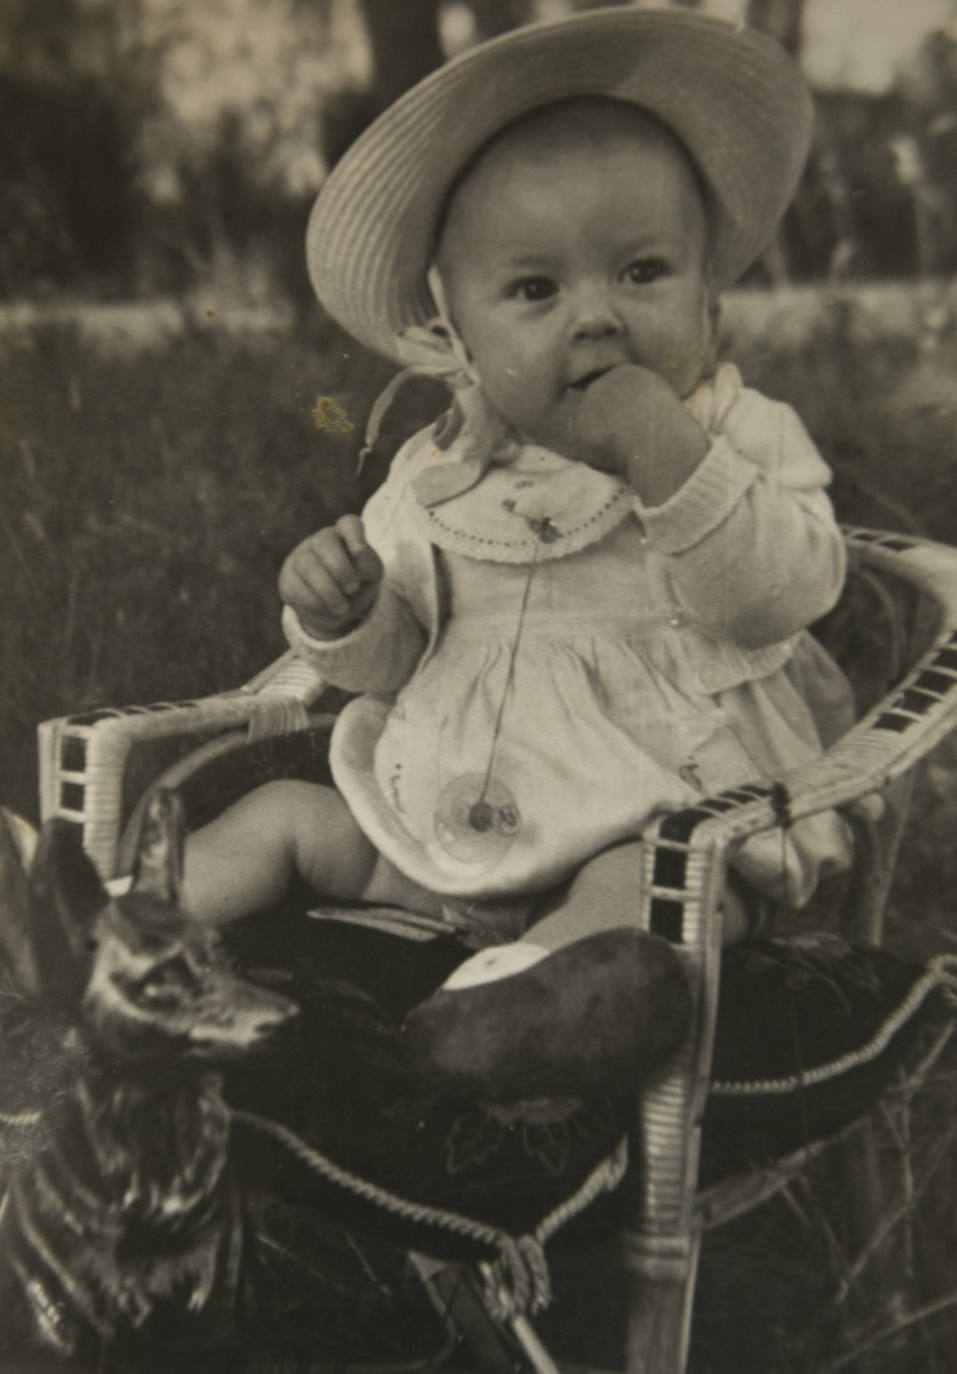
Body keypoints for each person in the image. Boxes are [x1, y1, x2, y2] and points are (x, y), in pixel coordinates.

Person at [184, 8, 855, 1099]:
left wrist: (664, 456)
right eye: (537, 291)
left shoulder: (740, 435)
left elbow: (775, 594)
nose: (596, 318)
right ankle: (108, 917)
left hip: (658, 823)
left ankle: (529, 1005)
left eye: (641, 273)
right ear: (462, 340)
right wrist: (348, 615)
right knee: (283, 825)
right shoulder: (443, 472)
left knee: (641, 890)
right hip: (449, 827)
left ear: (709, 298)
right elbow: (402, 660)